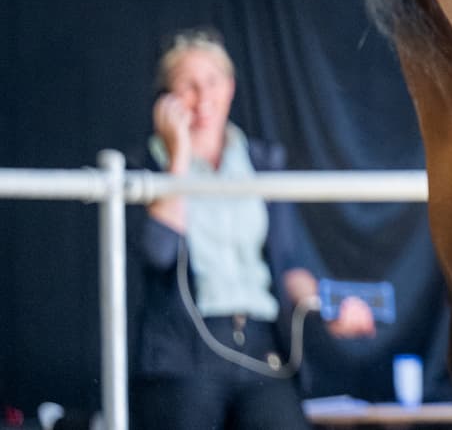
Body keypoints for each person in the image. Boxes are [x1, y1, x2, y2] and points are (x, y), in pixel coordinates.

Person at [130, 28, 377, 430]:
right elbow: (158, 250)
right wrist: (179, 158)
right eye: (188, 85)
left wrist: (327, 307)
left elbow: (287, 266)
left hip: (262, 349)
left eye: (212, 81)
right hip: (185, 352)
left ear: (230, 87)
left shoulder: (262, 163)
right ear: (167, 98)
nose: (203, 96)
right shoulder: (146, 166)